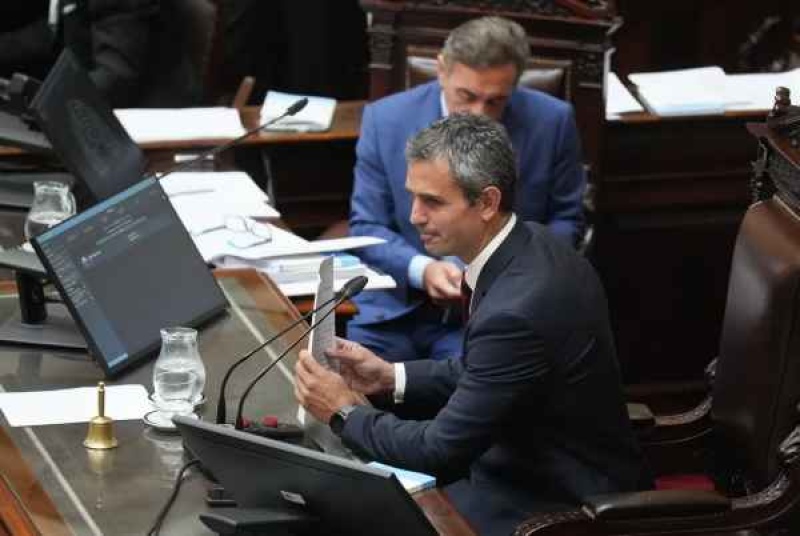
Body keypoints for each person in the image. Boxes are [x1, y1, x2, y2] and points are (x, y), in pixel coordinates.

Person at [296, 114, 650, 536]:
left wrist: (343, 411)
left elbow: (438, 451)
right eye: (413, 197)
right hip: (516, 466)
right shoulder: (531, 244)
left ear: (486, 202)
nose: (414, 217)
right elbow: (486, 370)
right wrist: (390, 376)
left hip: (551, 507)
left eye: (433, 202)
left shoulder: (517, 310)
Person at [348, 16, 586, 363]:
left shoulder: (553, 122)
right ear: (441, 70)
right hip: (396, 309)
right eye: (467, 96)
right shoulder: (384, 120)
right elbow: (367, 227)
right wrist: (422, 269)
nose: (481, 113)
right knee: (355, 384)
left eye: (496, 101)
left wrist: (503, 273)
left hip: (494, 311)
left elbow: (566, 221)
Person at [0, 0, 160, 108]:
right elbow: (53, 31)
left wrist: (41, 102)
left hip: (149, 135)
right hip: (84, 107)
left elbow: (116, 77)